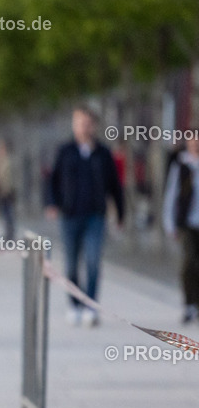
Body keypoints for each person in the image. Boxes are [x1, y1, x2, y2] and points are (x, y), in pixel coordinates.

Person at [47, 106, 124, 327]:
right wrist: (52, 203)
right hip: (70, 216)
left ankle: (91, 305)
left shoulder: (103, 153)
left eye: (88, 122)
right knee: (71, 265)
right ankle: (74, 304)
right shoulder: (65, 151)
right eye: (80, 122)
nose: (84, 126)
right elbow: (53, 180)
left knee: (92, 262)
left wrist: (120, 213)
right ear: (74, 124)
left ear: (94, 126)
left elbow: (115, 186)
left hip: (95, 216)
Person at [162, 136, 199, 324]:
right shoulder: (181, 165)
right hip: (187, 223)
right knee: (189, 262)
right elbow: (171, 194)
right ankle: (189, 303)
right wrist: (169, 222)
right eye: (192, 141)